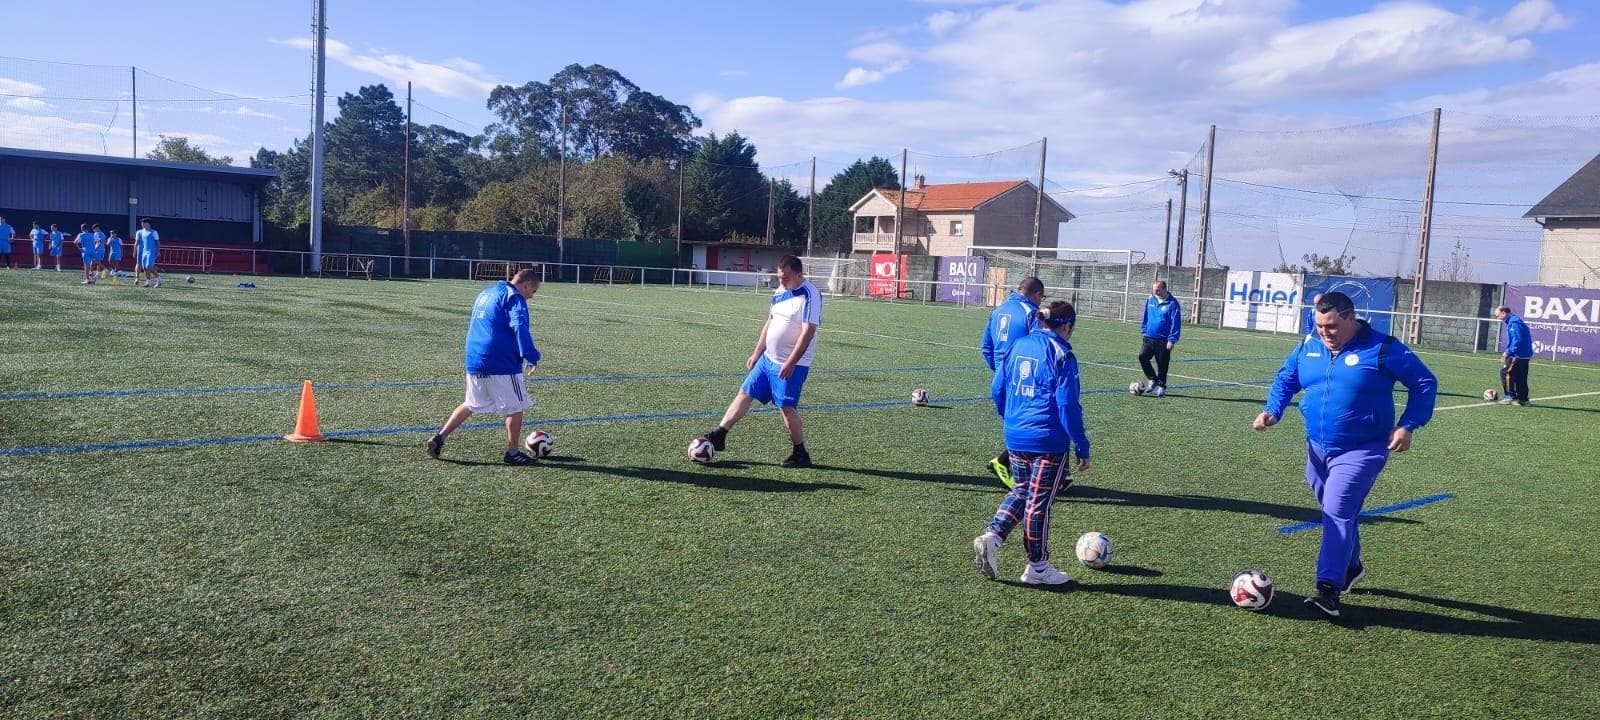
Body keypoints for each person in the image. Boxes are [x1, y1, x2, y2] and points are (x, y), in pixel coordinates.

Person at [1252, 291, 1436, 619]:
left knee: (1337, 510)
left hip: (1362, 450)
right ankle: (1351, 567)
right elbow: (1286, 379)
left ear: (1351, 318)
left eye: (1332, 326)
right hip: (1318, 448)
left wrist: (1408, 425)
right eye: (1319, 325)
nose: (1325, 332)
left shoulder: (1382, 348)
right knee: (1337, 509)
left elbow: (1424, 382)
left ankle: (1328, 590)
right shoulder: (1309, 346)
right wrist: (1272, 411)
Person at [972, 301, 1091, 586]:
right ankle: (1037, 567)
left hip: (1015, 434)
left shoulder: (1018, 345)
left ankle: (993, 537)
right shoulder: (1062, 353)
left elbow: (997, 387)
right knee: (1038, 504)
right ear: (1066, 326)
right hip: (1048, 439)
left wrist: (1009, 416)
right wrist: (1081, 445)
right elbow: (1067, 404)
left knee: (1021, 492)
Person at [698, 254, 822, 468]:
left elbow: (808, 332)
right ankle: (720, 435)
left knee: (786, 407)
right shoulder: (781, 291)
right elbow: (770, 322)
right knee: (745, 392)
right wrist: (757, 352)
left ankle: (801, 453)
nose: (781, 282)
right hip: (768, 360)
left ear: (799, 274)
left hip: (792, 364)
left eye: (785, 278)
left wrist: (791, 362)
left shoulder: (810, 295)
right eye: (779, 277)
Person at [427, 268, 544, 465]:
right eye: (533, 292)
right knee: (516, 407)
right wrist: (530, 355)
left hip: (475, 359)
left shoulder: (486, 293)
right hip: (501, 361)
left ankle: (440, 437)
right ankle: (513, 453)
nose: (531, 297)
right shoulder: (514, 297)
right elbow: (519, 325)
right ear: (527, 285)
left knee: (471, 403)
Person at [981, 276, 1045, 488]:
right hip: (1022, 380)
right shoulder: (1030, 313)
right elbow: (1039, 347)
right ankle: (1003, 463)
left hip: (1001, 380)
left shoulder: (998, 310)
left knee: (1020, 424)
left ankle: (1052, 474)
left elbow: (986, 348)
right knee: (1036, 424)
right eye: (1040, 297)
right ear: (1036, 294)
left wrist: (999, 371)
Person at [1137, 280, 1182, 397]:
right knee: (1142, 357)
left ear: (1164, 289)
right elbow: (1146, 315)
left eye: (1157, 290)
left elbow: (1175, 323)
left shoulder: (1172, 303)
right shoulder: (1150, 299)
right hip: (1149, 336)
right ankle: (1153, 379)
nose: (1155, 292)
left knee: (1162, 364)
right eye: (1154, 290)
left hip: (1163, 340)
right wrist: (1144, 330)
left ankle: (1161, 385)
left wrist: (1172, 340)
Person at [1495, 306, 1532, 406]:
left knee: (1505, 372)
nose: (1497, 318)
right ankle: (1523, 399)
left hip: (1518, 354)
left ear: (1503, 312)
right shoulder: (1514, 321)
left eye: (1497, 316)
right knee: (1520, 377)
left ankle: (1509, 396)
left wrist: (1508, 352)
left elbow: (1517, 340)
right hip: (1524, 354)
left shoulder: (1514, 322)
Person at [135, 218, 163, 287]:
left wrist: (158, 251)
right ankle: (148, 282)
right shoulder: (141, 232)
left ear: (147, 224)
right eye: (141, 223)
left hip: (151, 251)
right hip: (144, 251)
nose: (142, 224)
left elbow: (157, 242)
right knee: (145, 268)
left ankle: (159, 279)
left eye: (143, 223)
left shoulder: (153, 232)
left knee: (149, 266)